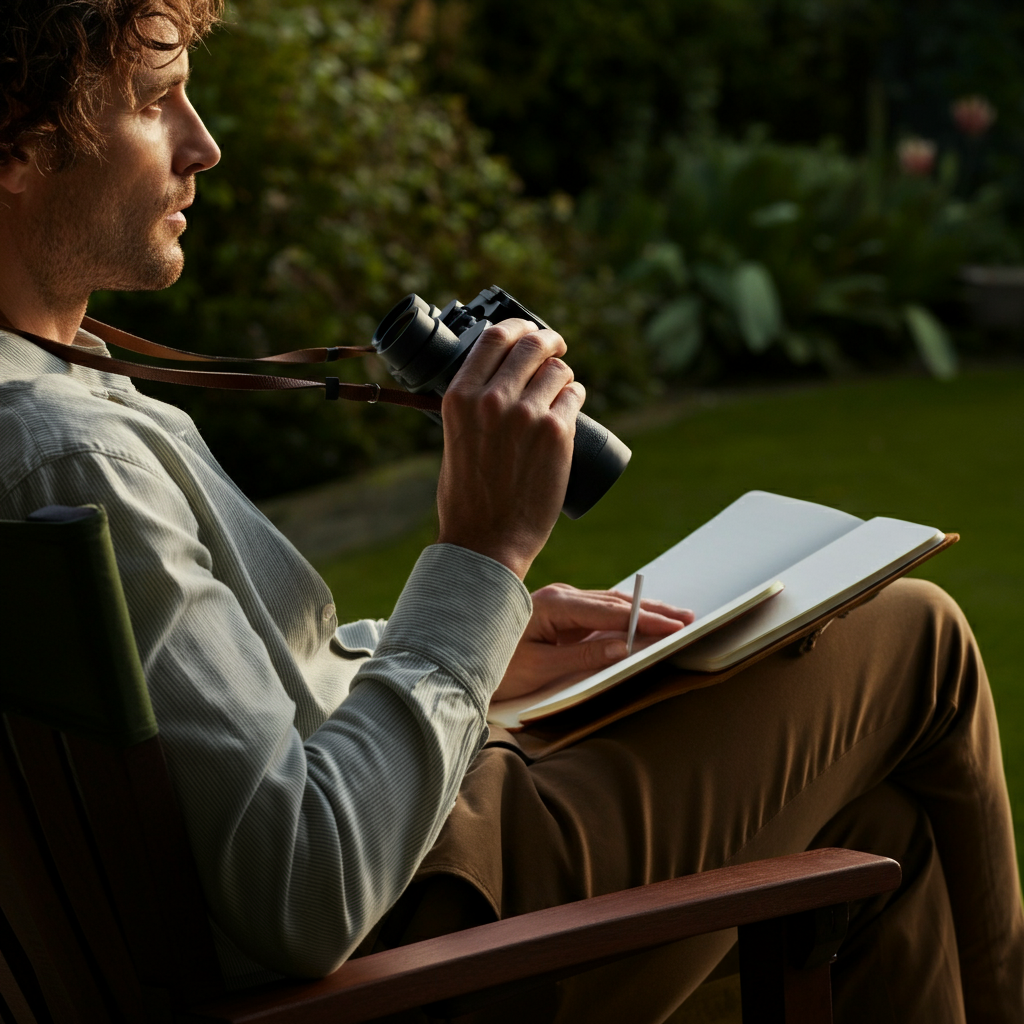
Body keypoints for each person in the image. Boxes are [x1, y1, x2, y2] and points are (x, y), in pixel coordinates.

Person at [0, 3, 1021, 1021]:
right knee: (911, 634)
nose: (203, 144)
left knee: (888, 830)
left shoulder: (49, 399)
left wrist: (486, 643)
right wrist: (480, 556)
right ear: (18, 144)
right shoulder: (63, 452)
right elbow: (303, 886)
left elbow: (222, 729)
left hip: (401, 871)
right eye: (153, 100)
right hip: (405, 950)